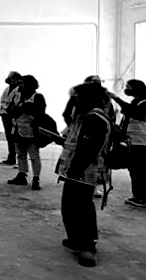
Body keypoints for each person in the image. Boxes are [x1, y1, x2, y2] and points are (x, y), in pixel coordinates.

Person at [55, 82, 113, 267]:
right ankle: (75, 239)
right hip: (77, 170)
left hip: (85, 171)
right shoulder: (84, 116)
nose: (75, 101)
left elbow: (89, 149)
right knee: (70, 206)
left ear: (87, 98)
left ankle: (88, 246)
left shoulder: (94, 118)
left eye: (77, 97)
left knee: (81, 207)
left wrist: (75, 170)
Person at [110, 79, 146, 208]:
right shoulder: (136, 102)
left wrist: (116, 98)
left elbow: (134, 112)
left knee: (139, 170)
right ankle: (138, 195)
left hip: (141, 143)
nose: (126, 89)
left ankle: (141, 197)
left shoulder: (144, 103)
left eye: (129, 87)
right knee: (134, 169)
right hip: (134, 142)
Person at [6, 74, 45, 190]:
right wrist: (16, 109)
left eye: (22, 83)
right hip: (18, 129)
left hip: (32, 131)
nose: (20, 85)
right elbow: (9, 109)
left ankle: (36, 178)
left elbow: (40, 113)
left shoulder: (37, 97)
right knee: (20, 154)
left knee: (34, 156)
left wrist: (24, 108)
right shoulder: (17, 96)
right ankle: (21, 175)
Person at [0, 71, 23, 166]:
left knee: (14, 138)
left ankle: (16, 158)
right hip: (5, 115)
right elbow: (3, 101)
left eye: (12, 77)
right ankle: (11, 157)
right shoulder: (7, 89)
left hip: (12, 116)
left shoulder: (19, 90)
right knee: (9, 137)